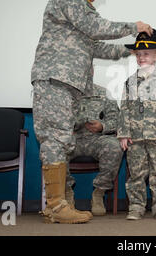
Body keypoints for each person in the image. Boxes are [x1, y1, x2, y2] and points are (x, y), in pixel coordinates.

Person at [31, 0, 153, 224]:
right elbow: (98, 29)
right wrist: (134, 26)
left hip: (67, 84)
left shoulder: (79, 14)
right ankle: (55, 205)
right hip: (55, 79)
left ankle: (57, 206)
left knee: (61, 140)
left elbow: (95, 47)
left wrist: (130, 50)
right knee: (55, 140)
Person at [117, 29, 156, 220]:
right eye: (139, 54)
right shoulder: (130, 82)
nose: (142, 57)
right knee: (136, 175)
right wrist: (124, 133)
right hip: (135, 137)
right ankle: (136, 206)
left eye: (147, 54)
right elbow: (124, 109)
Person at [65, 82, 122, 217]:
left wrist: (102, 126)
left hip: (97, 138)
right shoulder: (66, 93)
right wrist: (73, 124)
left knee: (114, 147)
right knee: (55, 148)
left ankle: (99, 193)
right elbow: (57, 120)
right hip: (73, 138)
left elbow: (117, 120)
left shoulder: (103, 93)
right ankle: (66, 191)